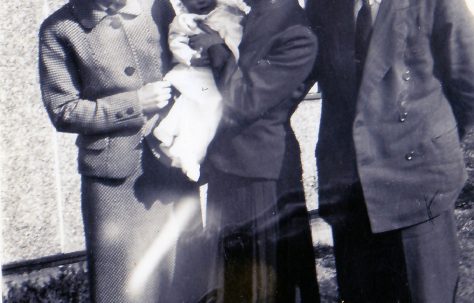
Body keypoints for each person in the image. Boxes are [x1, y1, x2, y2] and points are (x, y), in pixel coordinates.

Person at [305, 0, 474, 302]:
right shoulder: (322, 4)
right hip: (351, 191)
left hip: (417, 189)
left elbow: (468, 82)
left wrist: (429, 140)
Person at [39, 0, 200, 302]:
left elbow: (190, 65)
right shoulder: (59, 29)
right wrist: (134, 104)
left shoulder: (158, 9)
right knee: (121, 287)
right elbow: (63, 111)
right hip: (111, 179)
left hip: (172, 163)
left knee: (183, 278)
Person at [188, 0, 320, 301]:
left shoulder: (297, 34)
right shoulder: (252, 14)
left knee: (262, 285)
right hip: (231, 166)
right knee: (235, 282)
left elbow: (244, 101)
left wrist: (215, 47)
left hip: (261, 175)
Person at [151, 0, 250, 181]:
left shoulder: (228, 14)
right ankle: (182, 147)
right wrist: (191, 57)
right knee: (190, 107)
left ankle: (193, 152)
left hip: (222, 72)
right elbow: (176, 41)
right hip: (197, 72)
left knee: (211, 110)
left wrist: (223, 49)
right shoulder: (184, 20)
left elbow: (237, 39)